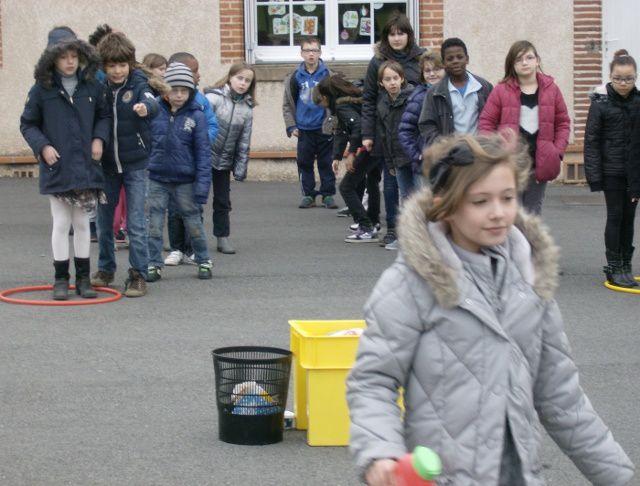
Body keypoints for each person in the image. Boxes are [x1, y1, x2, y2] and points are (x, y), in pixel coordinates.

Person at [346, 133, 636, 486]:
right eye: (480, 201)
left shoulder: (530, 278)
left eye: (508, 198)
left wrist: (620, 477)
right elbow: (373, 381)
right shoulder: (410, 283)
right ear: (445, 204)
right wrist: (381, 453)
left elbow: (563, 400)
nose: (498, 213)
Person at [20, 27, 111, 300]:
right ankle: (61, 279)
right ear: (52, 60)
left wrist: (99, 139)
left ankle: (84, 279)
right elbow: (28, 124)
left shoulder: (93, 84)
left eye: (74, 56)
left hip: (86, 165)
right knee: (61, 223)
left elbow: (104, 116)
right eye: (63, 57)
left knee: (83, 223)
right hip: (57, 166)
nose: (70, 62)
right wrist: (43, 146)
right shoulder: (41, 90)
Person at [91, 32, 159, 297]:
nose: (118, 71)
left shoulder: (139, 83)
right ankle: (106, 269)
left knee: (136, 222)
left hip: (136, 164)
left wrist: (145, 107)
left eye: (122, 65)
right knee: (104, 221)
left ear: (130, 63)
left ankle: (138, 274)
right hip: (106, 165)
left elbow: (153, 102)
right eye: (111, 66)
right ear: (103, 66)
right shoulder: (100, 89)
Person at [480, 40, 570, 215]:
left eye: (529, 57)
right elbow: (486, 123)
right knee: (510, 214)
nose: (525, 62)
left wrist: (556, 150)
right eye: (519, 59)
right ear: (512, 64)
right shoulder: (501, 90)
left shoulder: (552, 90)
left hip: (539, 165)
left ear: (537, 60)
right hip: (509, 165)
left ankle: (528, 244)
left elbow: (563, 122)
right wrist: (493, 152)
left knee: (532, 215)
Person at [361, 14, 424, 249]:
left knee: (417, 187)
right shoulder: (377, 61)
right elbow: (367, 99)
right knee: (390, 184)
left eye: (401, 33)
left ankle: (417, 232)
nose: (397, 38)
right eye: (392, 34)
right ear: (386, 37)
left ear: (409, 35)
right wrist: (367, 134)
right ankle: (392, 230)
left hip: (414, 134)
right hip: (385, 131)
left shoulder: (420, 58)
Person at [146, 63, 213, 281]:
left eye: (184, 91)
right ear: (165, 90)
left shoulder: (197, 116)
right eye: (174, 90)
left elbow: (203, 153)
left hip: (186, 179)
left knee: (193, 221)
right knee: (154, 224)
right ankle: (153, 263)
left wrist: (202, 187)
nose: (179, 95)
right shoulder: (153, 112)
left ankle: (203, 260)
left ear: (191, 91)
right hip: (157, 177)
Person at [585, 49, 640, 288]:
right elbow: (591, 140)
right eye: (618, 78)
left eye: (628, 78)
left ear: (636, 77)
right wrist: (594, 176)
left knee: (630, 218)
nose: (623, 83)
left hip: (634, 172)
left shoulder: (639, 102)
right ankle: (613, 265)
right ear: (610, 76)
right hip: (611, 171)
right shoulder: (601, 104)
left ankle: (626, 263)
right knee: (615, 216)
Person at [163, 51, 219, 267]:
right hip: (170, 168)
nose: (199, 75)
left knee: (194, 207)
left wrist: (200, 140)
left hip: (193, 166)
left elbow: (212, 125)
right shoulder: (164, 102)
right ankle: (177, 248)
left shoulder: (200, 100)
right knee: (174, 210)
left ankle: (195, 249)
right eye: (195, 71)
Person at [313, 74, 381, 243]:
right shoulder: (351, 101)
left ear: (326, 96)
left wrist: (351, 153)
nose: (322, 105)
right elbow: (342, 132)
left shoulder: (343, 106)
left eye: (321, 101)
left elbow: (357, 126)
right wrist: (336, 157)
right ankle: (373, 221)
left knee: (346, 186)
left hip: (370, 146)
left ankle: (365, 226)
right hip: (379, 144)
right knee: (372, 182)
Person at [204, 63, 257, 254]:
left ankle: (222, 237)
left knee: (222, 201)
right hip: (203, 158)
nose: (243, 83)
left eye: (247, 81)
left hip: (224, 162)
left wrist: (240, 169)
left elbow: (244, 142)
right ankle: (189, 239)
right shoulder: (212, 98)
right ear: (230, 78)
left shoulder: (247, 109)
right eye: (240, 78)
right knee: (196, 199)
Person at [282, 37, 338, 209]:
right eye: (307, 51)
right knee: (304, 163)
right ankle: (308, 194)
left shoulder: (329, 75)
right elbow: (287, 104)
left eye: (314, 50)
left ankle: (327, 194)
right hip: (304, 129)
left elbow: (337, 103)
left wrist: (334, 124)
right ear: (301, 53)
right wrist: (292, 126)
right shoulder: (294, 77)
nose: (311, 54)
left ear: (320, 53)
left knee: (326, 162)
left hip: (324, 128)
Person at [418, 37, 493, 148]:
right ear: (443, 63)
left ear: (467, 59)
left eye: (460, 57)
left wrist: (488, 144)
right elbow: (426, 125)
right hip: (450, 157)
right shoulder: (435, 93)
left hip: (480, 154)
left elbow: (494, 118)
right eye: (450, 58)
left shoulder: (483, 87)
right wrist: (442, 145)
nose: (455, 61)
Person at [375, 60, 414, 249]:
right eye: (387, 79)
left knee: (418, 197)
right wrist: (390, 163)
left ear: (402, 79)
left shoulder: (412, 98)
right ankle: (406, 236)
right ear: (381, 83)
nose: (392, 83)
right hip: (397, 159)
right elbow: (385, 136)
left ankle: (420, 237)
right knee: (405, 198)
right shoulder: (382, 104)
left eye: (395, 78)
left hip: (413, 157)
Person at [398, 51, 445, 184]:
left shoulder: (451, 93)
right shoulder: (419, 98)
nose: (432, 74)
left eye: (437, 69)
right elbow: (404, 132)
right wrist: (418, 156)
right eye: (427, 70)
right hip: (427, 165)